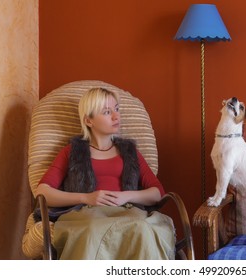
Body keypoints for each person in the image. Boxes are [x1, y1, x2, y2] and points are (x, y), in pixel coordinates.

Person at [34, 87, 175, 259]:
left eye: (117, 109)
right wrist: (85, 198)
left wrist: (127, 196)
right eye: (107, 112)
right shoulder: (71, 152)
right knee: (92, 231)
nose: (116, 116)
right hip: (85, 216)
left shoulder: (130, 152)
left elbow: (157, 193)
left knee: (142, 228)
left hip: (128, 213)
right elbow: (42, 191)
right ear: (88, 121)